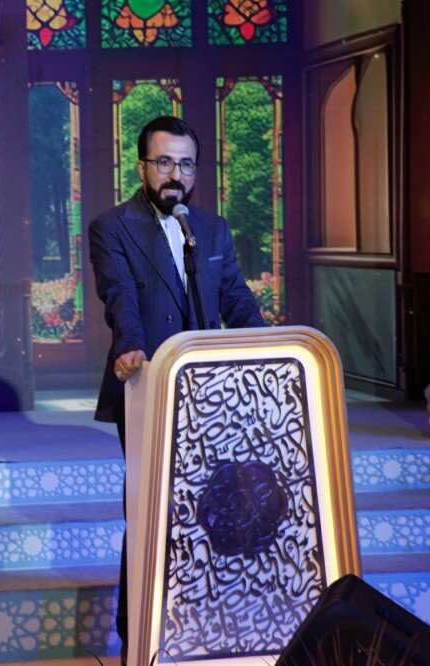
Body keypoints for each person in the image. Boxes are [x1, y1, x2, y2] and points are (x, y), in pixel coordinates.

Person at [88, 115, 264, 647]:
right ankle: (138, 634)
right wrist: (131, 346)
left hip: (212, 395)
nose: (175, 175)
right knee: (151, 511)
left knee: (214, 508)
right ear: (142, 166)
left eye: (186, 164)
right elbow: (119, 296)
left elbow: (235, 297)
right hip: (148, 388)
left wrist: (266, 347)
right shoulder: (113, 227)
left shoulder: (210, 228)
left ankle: (202, 627)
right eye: (164, 162)